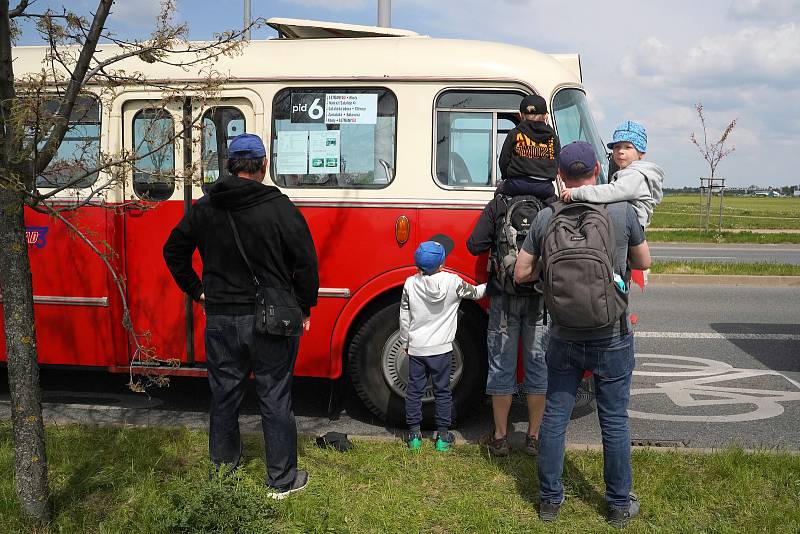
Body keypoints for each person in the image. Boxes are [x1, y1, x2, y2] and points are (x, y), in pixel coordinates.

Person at [163, 133, 319, 499]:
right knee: (275, 396)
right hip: (270, 320)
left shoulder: (206, 207)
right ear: (263, 166)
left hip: (220, 318)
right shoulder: (280, 208)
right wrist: (304, 305)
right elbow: (306, 263)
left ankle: (223, 475)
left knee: (224, 397)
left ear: (230, 166)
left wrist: (197, 290)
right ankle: (281, 481)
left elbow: (173, 250)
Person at [514, 141, 651, 528]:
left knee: (555, 416)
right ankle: (619, 504)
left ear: (560, 176)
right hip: (612, 332)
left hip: (563, 334)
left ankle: (550, 501)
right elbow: (644, 261)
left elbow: (521, 273)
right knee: (614, 419)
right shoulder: (622, 211)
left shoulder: (546, 217)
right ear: (597, 172)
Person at [467, 182, 551, 457]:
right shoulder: (550, 203)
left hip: (504, 296)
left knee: (501, 366)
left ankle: (501, 438)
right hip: (539, 296)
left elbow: (474, 244)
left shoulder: (500, 202)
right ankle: (533, 438)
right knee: (537, 366)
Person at [399, 241, 486, 452]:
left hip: (417, 349)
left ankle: (414, 436)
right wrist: (490, 284)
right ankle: (443, 437)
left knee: (414, 391)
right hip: (442, 350)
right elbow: (476, 293)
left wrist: (405, 342)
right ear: (442, 263)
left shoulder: (410, 283)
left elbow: (404, 315)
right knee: (443, 392)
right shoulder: (453, 282)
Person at [560, 120, 665, 228]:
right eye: (617, 147)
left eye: (628, 147)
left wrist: (577, 193)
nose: (620, 151)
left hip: (628, 230)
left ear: (641, 153)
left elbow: (611, 192)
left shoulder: (635, 176)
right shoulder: (626, 173)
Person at [496, 94, 561, 199]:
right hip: (545, 187)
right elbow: (557, 161)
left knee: (497, 198)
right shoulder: (553, 136)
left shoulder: (514, 134)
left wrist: (506, 177)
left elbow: (503, 161)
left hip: (516, 185)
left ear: (521, 115)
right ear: (545, 116)